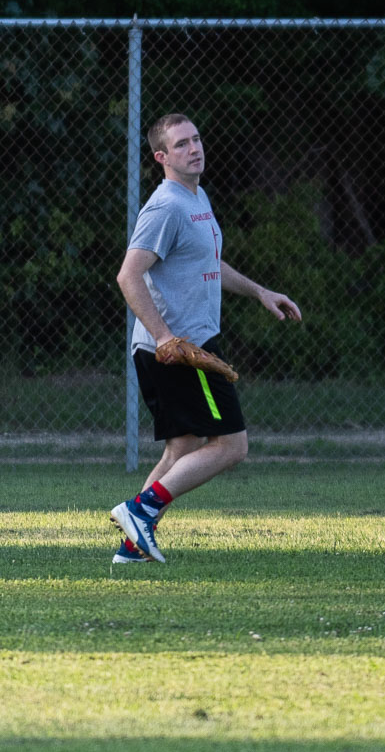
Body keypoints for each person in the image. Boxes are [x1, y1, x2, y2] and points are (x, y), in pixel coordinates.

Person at [109, 113, 302, 564]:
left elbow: (208, 262)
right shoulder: (166, 206)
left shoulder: (196, 197)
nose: (194, 149)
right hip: (179, 350)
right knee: (232, 445)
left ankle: (133, 546)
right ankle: (141, 510)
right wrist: (165, 338)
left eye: (196, 139)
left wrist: (259, 292)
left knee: (183, 448)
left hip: (183, 345)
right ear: (161, 157)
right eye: (181, 144)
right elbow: (128, 275)